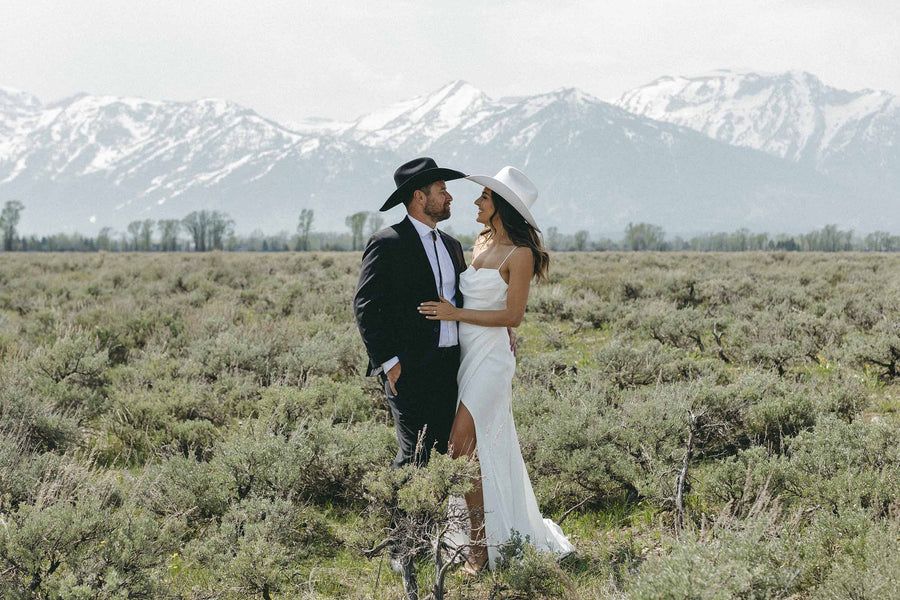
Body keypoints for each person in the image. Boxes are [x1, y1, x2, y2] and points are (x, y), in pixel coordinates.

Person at [418, 166, 575, 574]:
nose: (475, 201)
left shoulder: (519, 255)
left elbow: (514, 315)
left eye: (484, 196)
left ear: (500, 206)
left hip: (491, 360)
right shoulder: (481, 241)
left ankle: (481, 545)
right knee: (475, 450)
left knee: (458, 446)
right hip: (467, 355)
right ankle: (486, 533)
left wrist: (457, 314)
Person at [353, 156, 467, 599]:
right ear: (419, 197)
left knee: (440, 452)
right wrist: (388, 362)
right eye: (441, 189)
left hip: (450, 366)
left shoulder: (454, 245)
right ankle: (403, 546)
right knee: (412, 452)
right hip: (409, 370)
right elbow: (366, 305)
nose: (448, 195)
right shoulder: (389, 242)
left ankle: (430, 536)